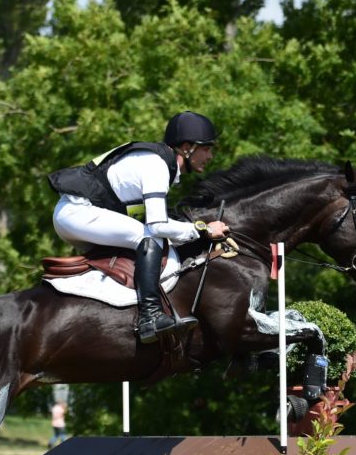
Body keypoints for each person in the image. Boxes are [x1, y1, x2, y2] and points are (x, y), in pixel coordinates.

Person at [48, 111, 229, 343]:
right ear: (187, 147)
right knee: (150, 240)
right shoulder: (157, 166)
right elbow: (157, 226)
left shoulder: (157, 162)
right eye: (207, 148)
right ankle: (150, 317)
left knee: (140, 242)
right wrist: (201, 230)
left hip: (74, 215)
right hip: (77, 214)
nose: (211, 155)